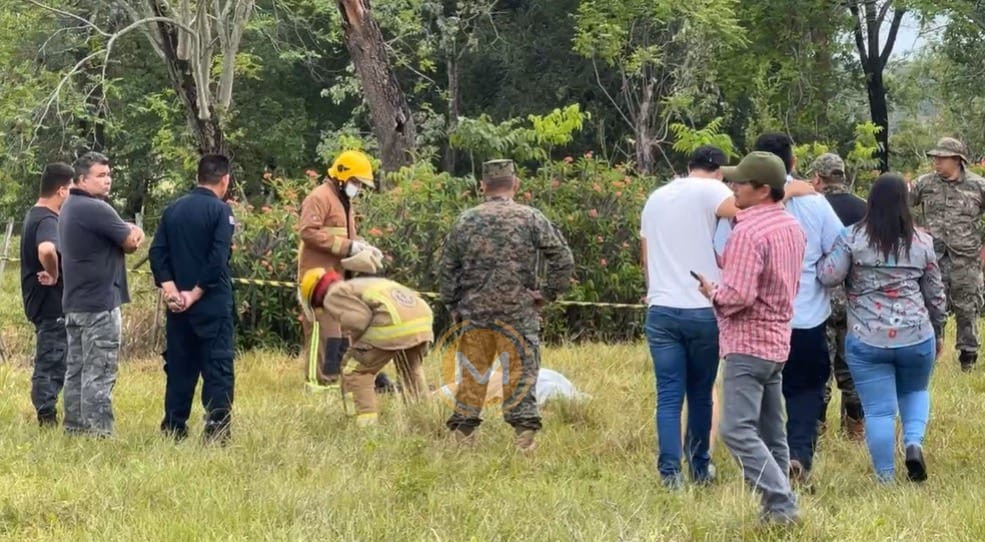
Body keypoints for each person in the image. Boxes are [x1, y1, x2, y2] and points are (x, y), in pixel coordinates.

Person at [695, 151, 805, 525]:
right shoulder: (790, 226)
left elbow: (739, 296)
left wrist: (712, 292)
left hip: (747, 344)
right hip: (777, 341)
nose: (732, 187)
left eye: (740, 182)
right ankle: (775, 511)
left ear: (762, 190)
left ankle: (781, 503)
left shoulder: (748, 230)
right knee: (773, 432)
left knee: (735, 430)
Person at [818, 173, 946, 483]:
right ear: (905, 202)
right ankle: (913, 443)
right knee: (915, 391)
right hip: (916, 335)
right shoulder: (922, 241)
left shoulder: (852, 238)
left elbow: (829, 276)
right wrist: (938, 330)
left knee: (879, 411)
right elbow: (936, 293)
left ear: (871, 201)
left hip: (867, 338)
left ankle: (886, 478)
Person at [439, 159, 574, 452]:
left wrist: (453, 304)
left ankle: (463, 443)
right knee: (521, 376)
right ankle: (524, 444)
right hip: (518, 314)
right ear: (516, 185)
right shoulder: (531, 218)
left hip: (475, 315)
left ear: (482, 187)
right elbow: (563, 259)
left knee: (472, 376)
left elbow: (447, 268)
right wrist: (545, 294)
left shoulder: (466, 221)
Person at [640, 145, 736, 488]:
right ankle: (699, 466)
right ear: (719, 171)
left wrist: (655, 290)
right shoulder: (714, 189)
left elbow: (646, 252)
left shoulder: (657, 196)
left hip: (662, 308)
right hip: (701, 308)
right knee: (700, 391)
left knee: (668, 395)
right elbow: (746, 209)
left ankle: (669, 474)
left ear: (688, 165)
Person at [755, 133, 843, 483]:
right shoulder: (815, 203)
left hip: (759, 320)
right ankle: (799, 456)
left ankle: (769, 462)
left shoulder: (742, 201)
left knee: (763, 391)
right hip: (806, 317)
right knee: (806, 390)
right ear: (793, 163)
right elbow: (841, 247)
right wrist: (821, 274)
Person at [149, 154, 237, 443]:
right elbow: (217, 259)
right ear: (224, 180)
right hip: (211, 304)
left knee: (179, 366)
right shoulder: (221, 212)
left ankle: (174, 428)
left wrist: (172, 290)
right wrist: (196, 293)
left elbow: (157, 253)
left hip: (178, 307)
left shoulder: (173, 210)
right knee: (218, 367)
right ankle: (216, 431)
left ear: (198, 176)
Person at [59, 151, 144, 437]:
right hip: (100, 305)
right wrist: (135, 230)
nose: (107, 181)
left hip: (75, 303)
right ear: (82, 179)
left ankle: (75, 427)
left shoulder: (69, 206)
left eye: (109, 175)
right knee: (100, 370)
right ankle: (99, 434)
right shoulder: (97, 209)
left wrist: (126, 231)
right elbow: (130, 241)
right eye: (100, 175)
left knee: (76, 370)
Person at [299, 250, 433, 426]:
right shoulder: (358, 284)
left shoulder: (333, 294)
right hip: (420, 319)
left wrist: (357, 346)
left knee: (353, 369)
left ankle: (364, 427)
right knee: (410, 368)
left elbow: (360, 320)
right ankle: (423, 417)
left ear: (314, 296)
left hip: (393, 322)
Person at [297, 150, 383, 388]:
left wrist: (363, 247)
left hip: (337, 281)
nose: (359, 188)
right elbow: (308, 232)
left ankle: (332, 382)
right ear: (342, 176)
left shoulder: (344, 202)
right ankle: (317, 385)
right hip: (316, 280)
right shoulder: (320, 197)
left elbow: (347, 238)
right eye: (357, 182)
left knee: (339, 335)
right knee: (322, 333)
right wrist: (349, 247)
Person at [910, 137, 985, 371]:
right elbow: (899, 205)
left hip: (967, 258)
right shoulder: (925, 183)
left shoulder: (978, 186)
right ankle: (930, 353)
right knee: (932, 304)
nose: (937, 162)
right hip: (933, 257)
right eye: (935, 158)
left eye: (942, 158)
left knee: (967, 307)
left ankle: (968, 358)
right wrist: (913, 230)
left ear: (957, 160)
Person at [809, 153, 867, 440]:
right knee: (852, 363)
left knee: (821, 364)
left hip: (820, 296)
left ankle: (817, 427)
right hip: (856, 298)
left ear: (818, 177)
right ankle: (855, 427)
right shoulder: (864, 208)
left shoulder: (812, 207)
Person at [19, 163, 74, 427]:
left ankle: (47, 411)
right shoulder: (47, 219)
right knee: (51, 360)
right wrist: (52, 274)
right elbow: (47, 250)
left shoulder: (34, 214)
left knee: (53, 356)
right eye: (71, 190)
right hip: (51, 304)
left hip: (40, 302)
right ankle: (46, 416)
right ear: (62, 190)